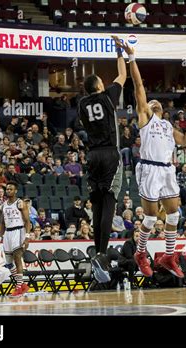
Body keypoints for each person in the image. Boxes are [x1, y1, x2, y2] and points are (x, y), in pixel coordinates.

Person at [118, 40, 186, 279]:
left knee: (174, 215)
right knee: (151, 217)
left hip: (167, 170)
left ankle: (169, 256)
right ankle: (141, 253)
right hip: (150, 169)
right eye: (150, 103)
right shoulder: (146, 118)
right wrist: (132, 57)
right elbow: (139, 86)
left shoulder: (168, 126)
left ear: (162, 109)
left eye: (156, 103)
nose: (152, 103)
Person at [77, 35, 127, 282]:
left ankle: (97, 253)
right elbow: (122, 76)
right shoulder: (107, 96)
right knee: (109, 202)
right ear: (99, 86)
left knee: (97, 204)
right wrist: (120, 53)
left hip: (92, 155)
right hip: (109, 153)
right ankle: (103, 253)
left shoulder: (81, 104)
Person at [0, 183, 31, 296]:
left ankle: (19, 287)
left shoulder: (20, 203)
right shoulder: (3, 205)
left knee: (17, 258)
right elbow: (2, 223)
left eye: (11, 189)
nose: (8, 190)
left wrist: (27, 237)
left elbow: (27, 221)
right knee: (9, 263)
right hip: (7, 233)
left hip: (19, 231)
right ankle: (22, 284)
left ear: (15, 191)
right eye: (7, 189)